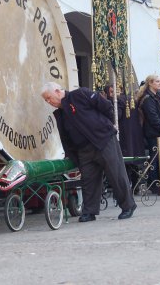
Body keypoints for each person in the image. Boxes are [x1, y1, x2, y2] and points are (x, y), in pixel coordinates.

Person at [41, 82, 136, 222]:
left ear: (57, 91)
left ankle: (128, 206)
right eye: (46, 100)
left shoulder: (80, 94)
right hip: (83, 149)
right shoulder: (60, 113)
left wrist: (104, 128)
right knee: (88, 180)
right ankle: (89, 211)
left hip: (103, 141)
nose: (48, 102)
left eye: (49, 98)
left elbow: (106, 107)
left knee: (116, 174)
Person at [137, 75, 160, 187]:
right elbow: (153, 117)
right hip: (154, 133)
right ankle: (154, 183)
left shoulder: (158, 96)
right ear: (150, 83)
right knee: (155, 158)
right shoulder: (148, 98)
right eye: (157, 81)